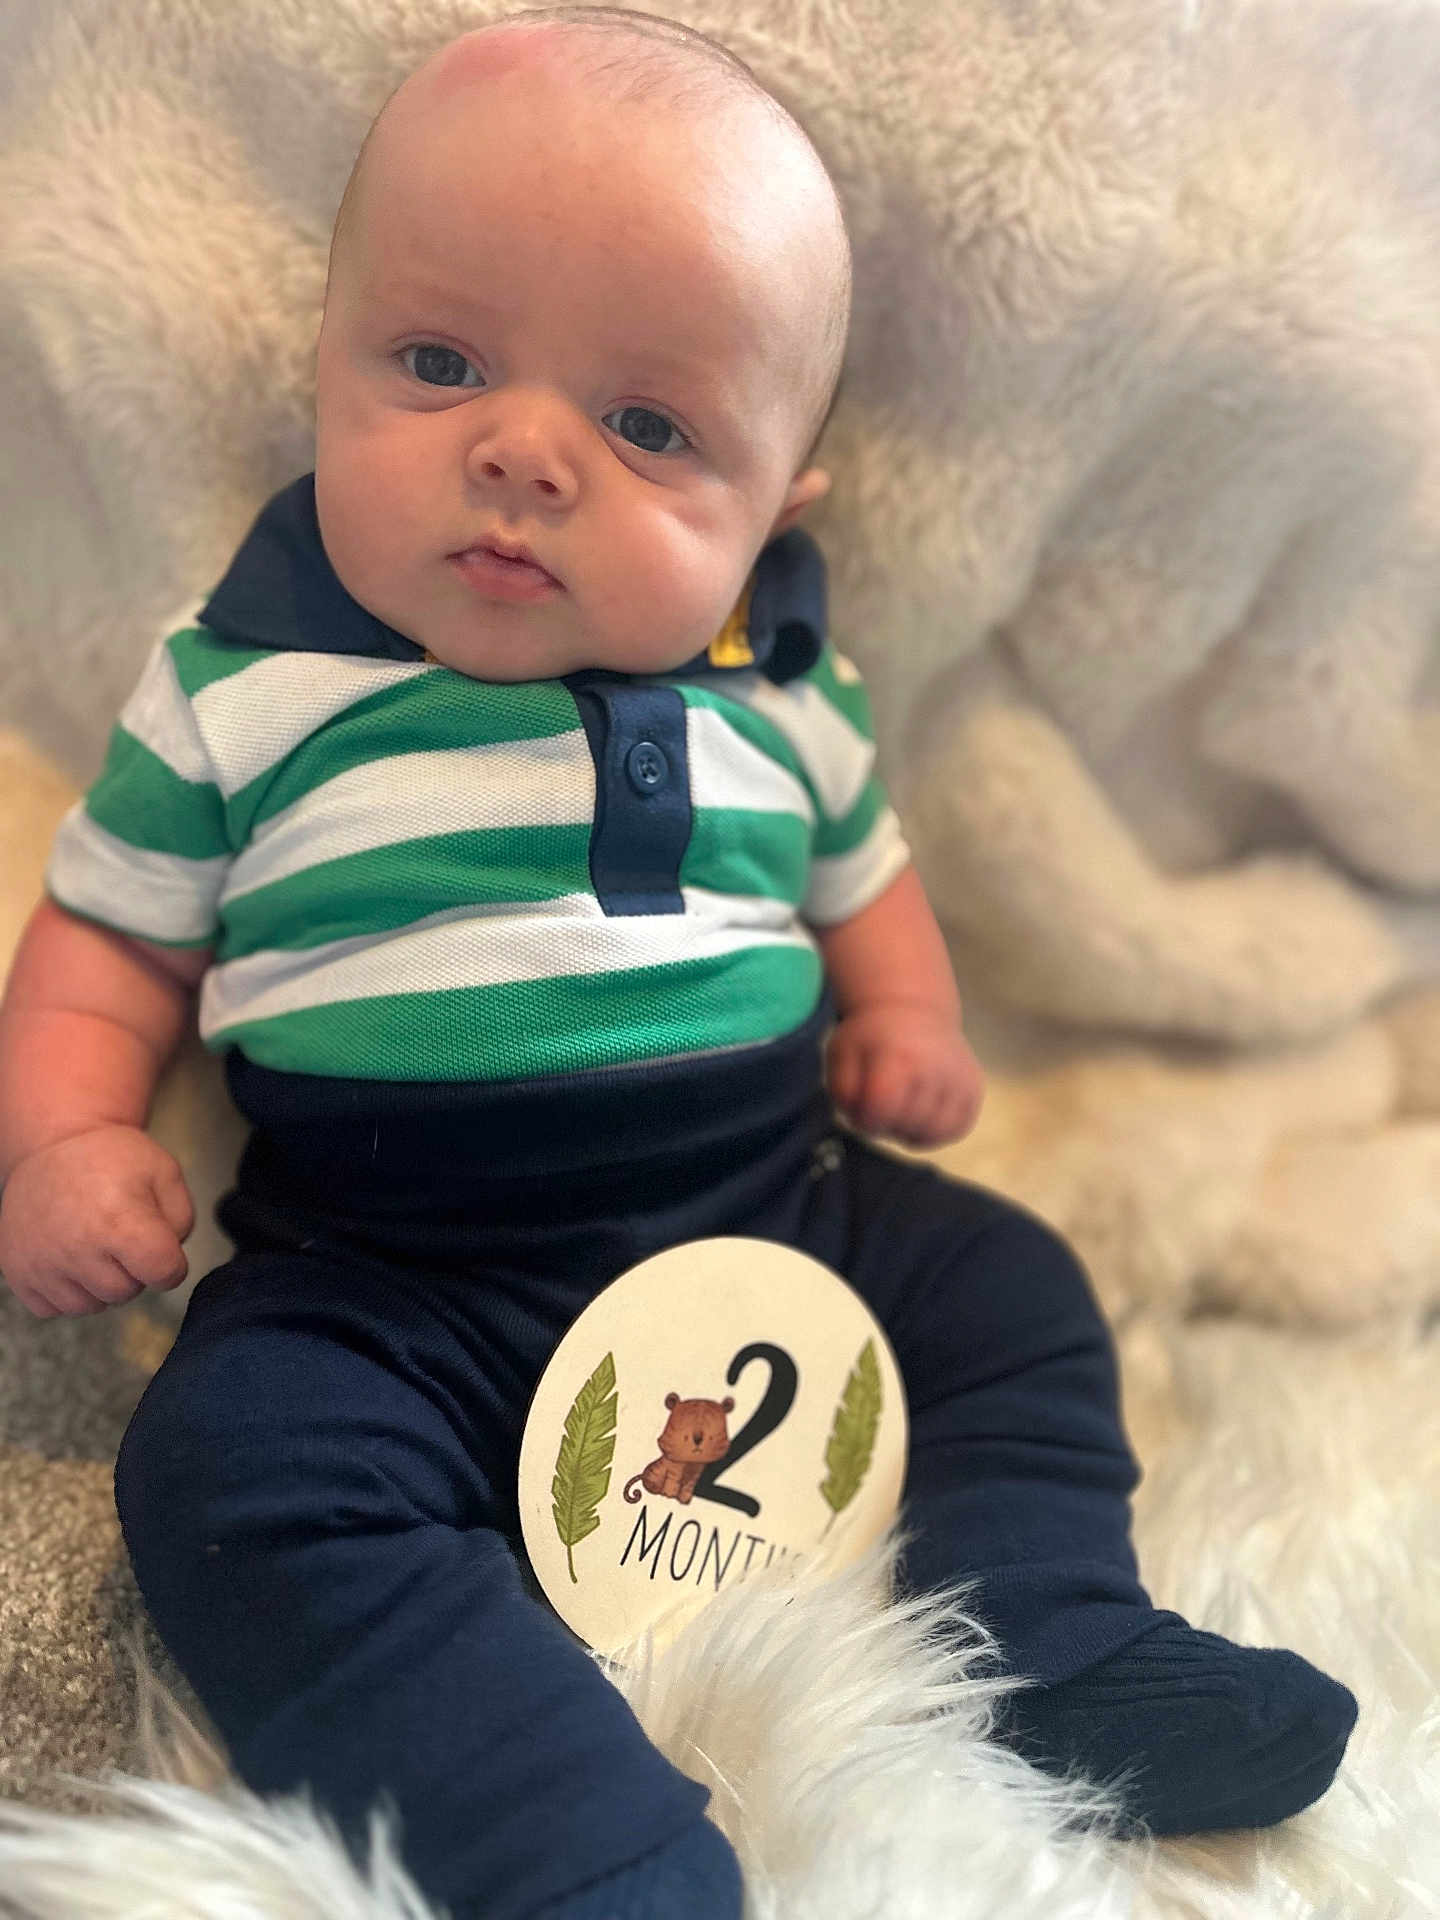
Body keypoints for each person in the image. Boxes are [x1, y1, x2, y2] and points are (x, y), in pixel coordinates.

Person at [0, 8, 1356, 1917]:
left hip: (775, 1220)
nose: (522, 453)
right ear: (321, 369)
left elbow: (861, 873)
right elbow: (100, 944)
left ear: (771, 517)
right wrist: (62, 1142)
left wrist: (907, 1015)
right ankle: (553, 1826)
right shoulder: (241, 683)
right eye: (440, 361)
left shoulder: (776, 697)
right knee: (231, 1472)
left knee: (1013, 1294)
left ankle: (1054, 1640)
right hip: (390, 1283)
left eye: (647, 426)